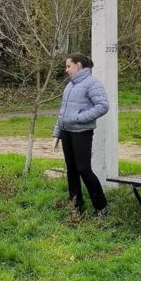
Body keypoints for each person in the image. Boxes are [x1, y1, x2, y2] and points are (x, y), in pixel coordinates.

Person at [53, 53, 110, 217]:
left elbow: (103, 106)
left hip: (81, 133)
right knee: (71, 169)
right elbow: (62, 112)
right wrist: (57, 133)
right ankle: (76, 207)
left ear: (78, 65)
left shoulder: (92, 83)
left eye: (68, 66)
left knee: (84, 170)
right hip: (66, 133)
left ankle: (102, 208)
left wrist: (79, 118)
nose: (66, 70)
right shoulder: (70, 86)